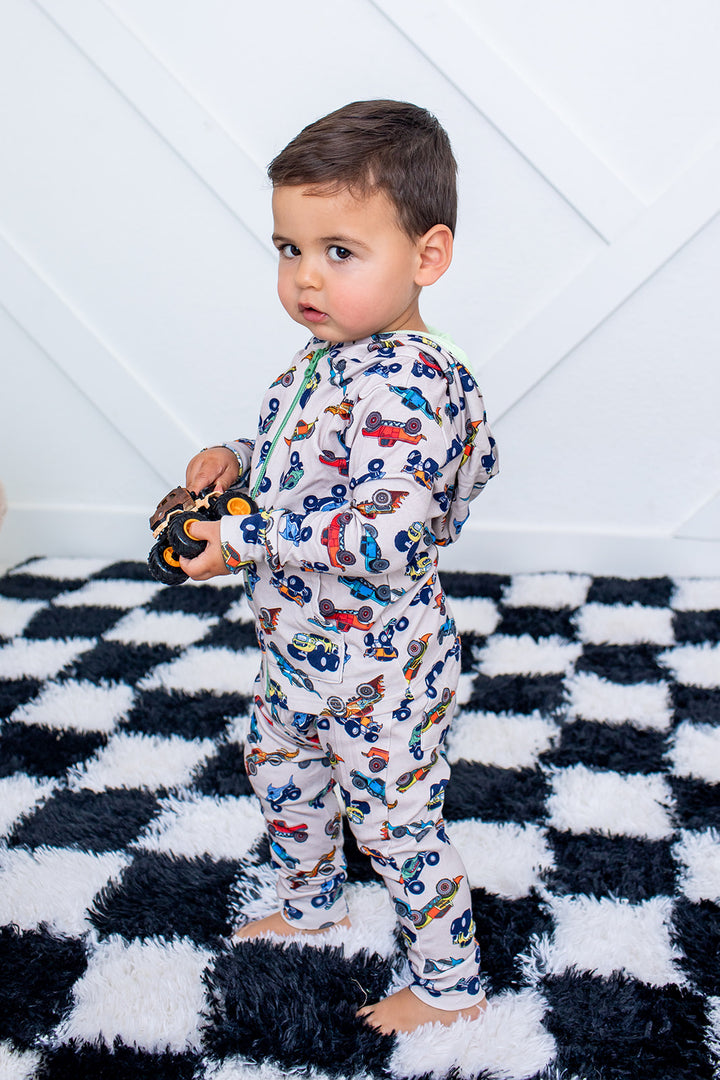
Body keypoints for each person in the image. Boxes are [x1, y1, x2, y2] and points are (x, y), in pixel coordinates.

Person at [177, 100, 498, 1035]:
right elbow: (313, 457)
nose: (306, 278)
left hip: (379, 669)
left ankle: (449, 985)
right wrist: (238, 459)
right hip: (300, 649)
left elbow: (384, 531)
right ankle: (311, 898)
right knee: (281, 766)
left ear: (426, 258)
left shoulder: (411, 381)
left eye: (339, 252)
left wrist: (241, 538)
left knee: (396, 824)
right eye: (289, 248)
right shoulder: (331, 356)